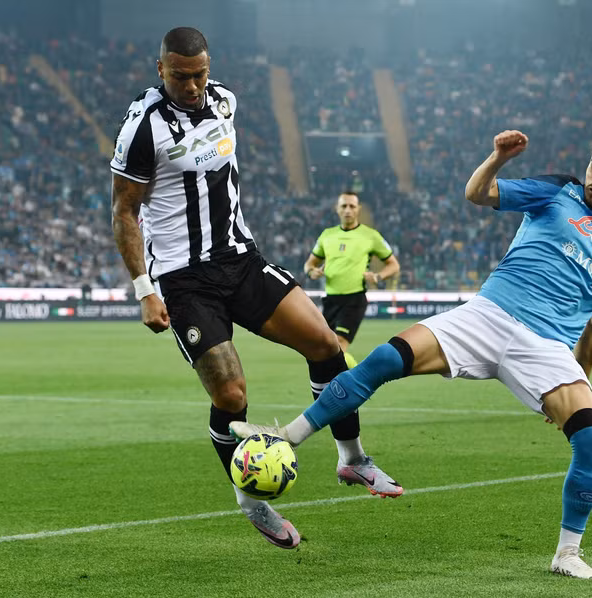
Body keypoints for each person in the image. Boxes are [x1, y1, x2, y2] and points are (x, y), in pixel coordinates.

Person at [232, 128, 592, 579]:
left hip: (546, 349)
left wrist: (577, 377)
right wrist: (497, 157)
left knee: (591, 438)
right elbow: (477, 193)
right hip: (488, 314)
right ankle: (286, 436)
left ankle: (567, 553)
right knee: (385, 360)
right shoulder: (558, 190)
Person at [110, 27, 401, 551]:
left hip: (241, 261)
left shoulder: (225, 101)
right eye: (180, 76)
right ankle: (251, 501)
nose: (193, 86)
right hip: (183, 279)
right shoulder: (143, 127)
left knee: (325, 344)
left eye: (199, 74)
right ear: (160, 71)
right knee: (231, 393)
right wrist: (143, 288)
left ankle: (352, 459)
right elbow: (124, 211)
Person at [304, 191, 400, 368]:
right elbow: (309, 264)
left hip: (354, 299)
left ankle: (355, 379)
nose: (348, 210)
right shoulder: (327, 235)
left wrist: (378, 276)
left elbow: (393, 265)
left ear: (358, 209)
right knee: (323, 348)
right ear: (337, 209)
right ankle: (343, 381)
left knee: (339, 344)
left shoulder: (370, 236)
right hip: (330, 299)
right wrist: (312, 272)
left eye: (352, 206)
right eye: (344, 206)